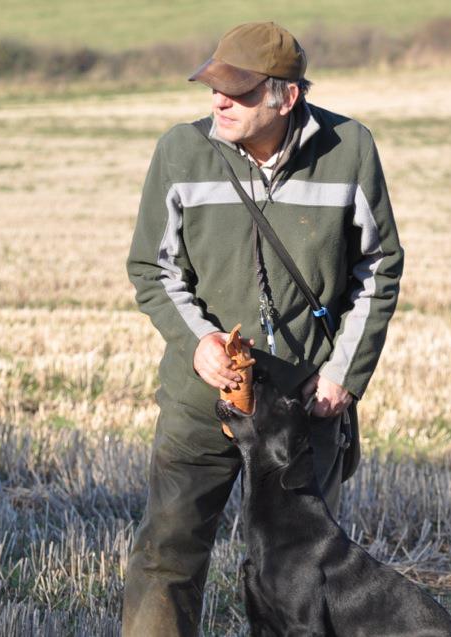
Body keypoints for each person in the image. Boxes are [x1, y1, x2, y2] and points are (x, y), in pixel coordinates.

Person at [122, 21, 403, 636]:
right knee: (167, 555)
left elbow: (378, 269)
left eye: (240, 91)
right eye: (214, 86)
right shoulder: (181, 150)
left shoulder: (349, 148)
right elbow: (152, 267)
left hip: (306, 409)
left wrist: (342, 376)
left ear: (287, 97)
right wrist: (199, 343)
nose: (219, 101)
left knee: (300, 574)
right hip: (203, 399)